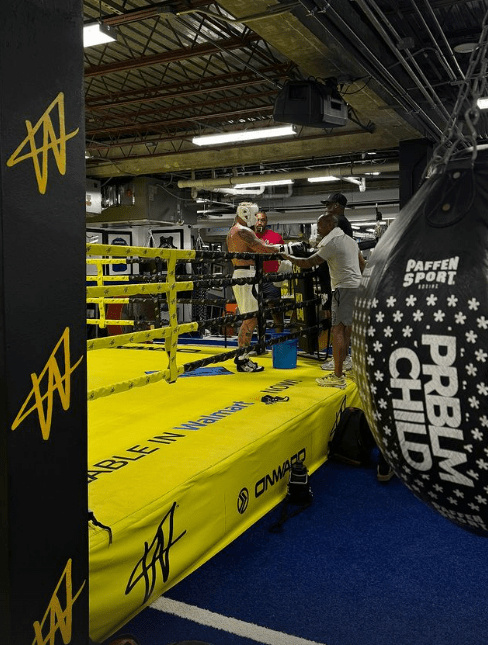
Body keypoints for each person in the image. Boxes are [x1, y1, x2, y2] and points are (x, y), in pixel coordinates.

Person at [283, 212, 365, 388]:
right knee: (347, 331)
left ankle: (337, 375)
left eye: (320, 225)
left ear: (329, 225)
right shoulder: (350, 241)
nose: (318, 229)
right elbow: (362, 264)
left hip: (343, 289)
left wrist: (287, 257)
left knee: (337, 331)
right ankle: (348, 368)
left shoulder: (333, 243)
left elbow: (308, 262)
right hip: (355, 287)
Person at [226, 202, 284, 373]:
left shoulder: (235, 230)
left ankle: (242, 355)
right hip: (246, 276)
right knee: (250, 318)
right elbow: (263, 248)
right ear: (247, 214)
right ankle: (242, 357)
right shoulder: (242, 231)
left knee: (250, 317)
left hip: (245, 275)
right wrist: (285, 248)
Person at [320, 192, 364, 371]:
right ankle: (344, 359)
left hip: (342, 285)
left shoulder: (340, 224)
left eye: (329, 205)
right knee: (344, 325)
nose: (326, 209)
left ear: (337, 206)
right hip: (344, 283)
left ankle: (341, 363)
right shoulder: (344, 230)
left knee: (339, 327)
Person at [254, 211, 285, 333]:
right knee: (256, 312)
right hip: (254, 278)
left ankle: (279, 342)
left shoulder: (275, 237)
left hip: (271, 277)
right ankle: (259, 343)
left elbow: (284, 255)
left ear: (266, 222)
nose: (260, 222)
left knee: (276, 311)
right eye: (258, 220)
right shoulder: (249, 237)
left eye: (263, 220)